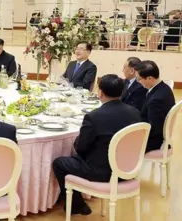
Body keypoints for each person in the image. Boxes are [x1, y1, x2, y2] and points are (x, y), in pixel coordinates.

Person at [52, 74, 141, 216]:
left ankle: (77, 205)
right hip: (128, 170)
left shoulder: (94, 116)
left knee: (59, 162)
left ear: (100, 93)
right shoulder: (135, 112)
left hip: (101, 173)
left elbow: (80, 147)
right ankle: (78, 204)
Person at [134, 60, 175, 153]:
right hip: (156, 132)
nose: (137, 82)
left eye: (139, 79)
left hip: (154, 141)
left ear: (150, 78)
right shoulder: (164, 87)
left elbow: (154, 130)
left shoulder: (156, 100)